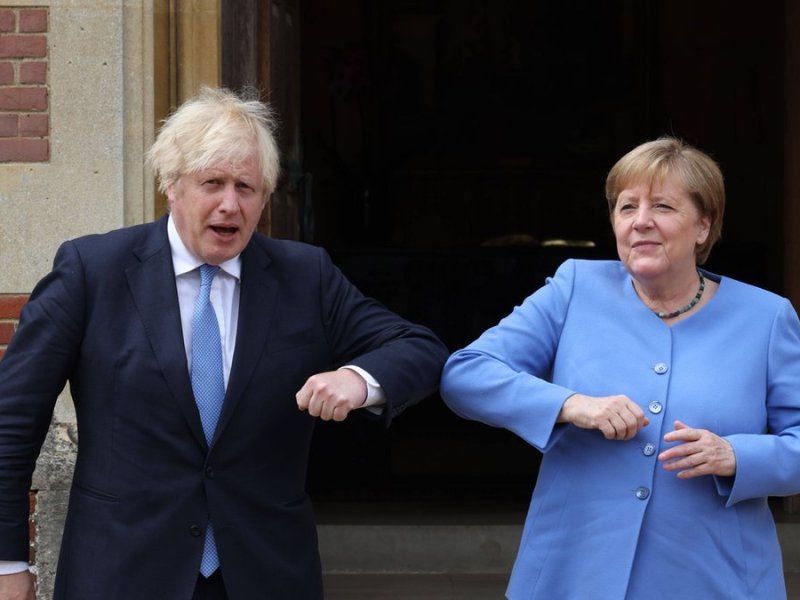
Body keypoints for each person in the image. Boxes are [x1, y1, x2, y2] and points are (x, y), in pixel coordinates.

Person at [0, 86, 447, 600]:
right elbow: (12, 421)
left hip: (264, 575)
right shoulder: (92, 272)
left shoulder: (306, 277)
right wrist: (9, 562)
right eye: (212, 183)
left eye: (246, 187)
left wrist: (358, 379)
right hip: (122, 573)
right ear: (171, 184)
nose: (229, 205)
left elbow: (419, 347)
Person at [440, 137, 800, 599]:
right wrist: (571, 405)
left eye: (664, 207)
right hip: (574, 573)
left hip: (715, 577)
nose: (641, 222)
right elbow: (466, 373)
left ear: (703, 227)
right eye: (627, 207)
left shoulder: (766, 317)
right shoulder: (575, 287)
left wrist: (738, 457)